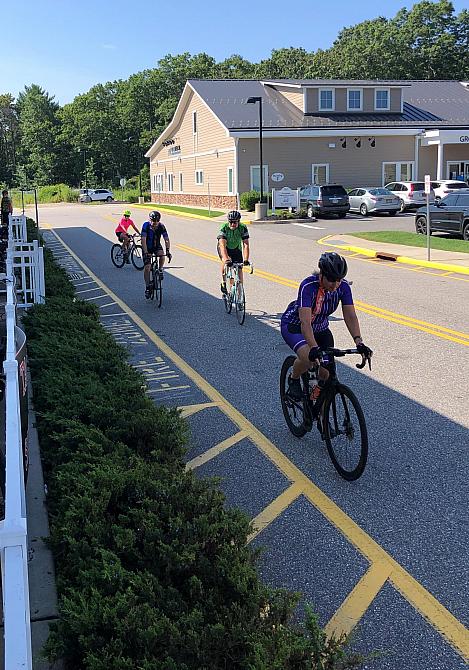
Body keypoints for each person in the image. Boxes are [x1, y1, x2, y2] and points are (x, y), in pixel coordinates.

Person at [281, 251, 372, 401]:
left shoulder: (343, 287)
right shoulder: (308, 286)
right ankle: (294, 378)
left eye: (339, 280)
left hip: (321, 329)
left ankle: (317, 407)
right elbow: (305, 322)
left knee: (326, 374)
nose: (335, 285)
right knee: (309, 359)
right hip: (295, 326)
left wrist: (359, 342)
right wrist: (314, 348)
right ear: (321, 274)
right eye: (331, 279)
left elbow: (350, 316)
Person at [217, 210, 250, 295]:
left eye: (235, 222)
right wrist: (226, 259)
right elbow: (222, 246)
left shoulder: (242, 228)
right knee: (226, 262)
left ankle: (240, 292)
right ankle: (223, 282)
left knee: (239, 268)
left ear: (239, 221)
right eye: (230, 222)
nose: (232, 224)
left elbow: (245, 245)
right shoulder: (224, 227)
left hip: (236, 248)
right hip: (224, 248)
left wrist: (246, 259)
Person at [141, 210, 171, 298]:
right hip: (147, 247)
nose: (155, 223)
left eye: (157, 221)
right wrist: (146, 252)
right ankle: (147, 287)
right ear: (150, 220)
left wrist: (168, 251)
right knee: (147, 267)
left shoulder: (161, 226)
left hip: (156, 246)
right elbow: (143, 239)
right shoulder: (146, 225)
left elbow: (166, 239)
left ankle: (160, 269)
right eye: (153, 221)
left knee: (162, 255)